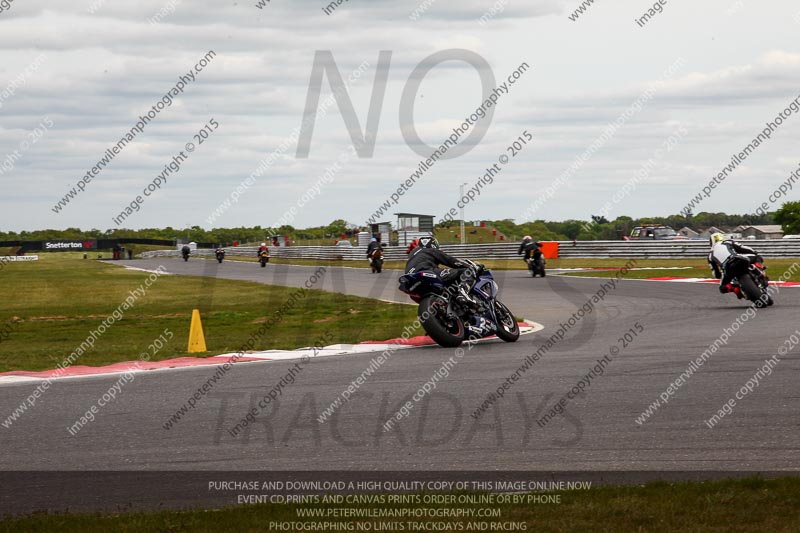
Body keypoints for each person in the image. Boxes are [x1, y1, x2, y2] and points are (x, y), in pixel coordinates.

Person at [405, 236, 478, 305]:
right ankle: (463, 294)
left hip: (410, 282)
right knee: (467, 271)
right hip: (425, 271)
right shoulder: (431, 250)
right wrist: (470, 266)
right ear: (433, 244)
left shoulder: (413, 254)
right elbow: (451, 261)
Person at [708, 232, 761, 297]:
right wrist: (754, 252)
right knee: (757, 257)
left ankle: (735, 289)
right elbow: (743, 248)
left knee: (722, 288)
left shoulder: (710, 255)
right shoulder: (728, 242)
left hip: (727, 269)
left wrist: (719, 275)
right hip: (738, 260)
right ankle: (759, 271)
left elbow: (716, 273)